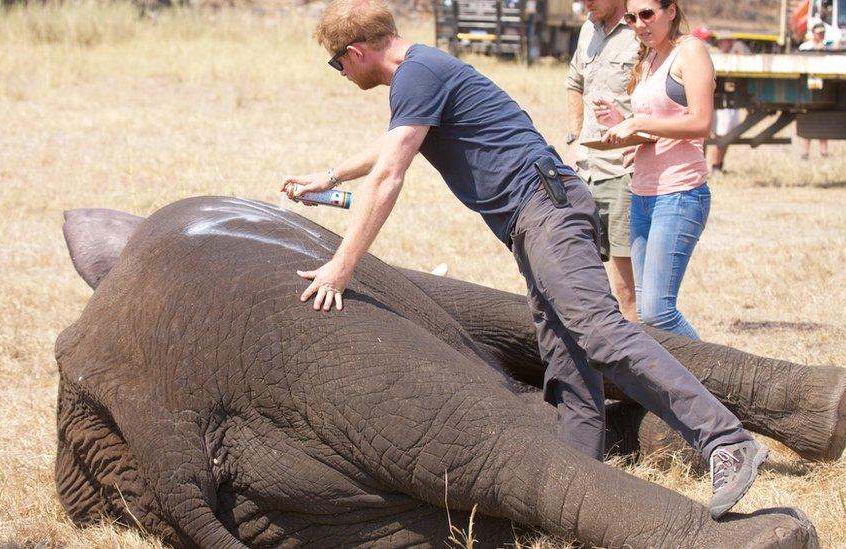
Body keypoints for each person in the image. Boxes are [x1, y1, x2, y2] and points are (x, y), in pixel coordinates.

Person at [283, 0, 767, 520]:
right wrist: (331, 177)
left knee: (598, 332)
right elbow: (392, 148)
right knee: (565, 354)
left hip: (545, 209)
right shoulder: (420, 72)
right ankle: (579, 488)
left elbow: (390, 176)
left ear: (355, 52)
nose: (342, 73)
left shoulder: (416, 74)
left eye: (338, 63)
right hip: (533, 217)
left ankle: (726, 440)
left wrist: (341, 266)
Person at [595, 0, 713, 341]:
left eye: (648, 14)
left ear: (671, 11)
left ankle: (714, 380)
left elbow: (701, 123)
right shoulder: (649, 57)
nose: (639, 24)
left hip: (679, 194)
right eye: (632, 17)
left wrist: (639, 122)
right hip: (643, 194)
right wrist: (623, 127)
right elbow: (662, 128)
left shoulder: (690, 52)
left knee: (659, 312)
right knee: (646, 315)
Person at [565, 0, 639, 321]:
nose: (586, 4)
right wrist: (574, 139)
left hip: (624, 173)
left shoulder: (641, 32)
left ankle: (642, 364)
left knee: (628, 290)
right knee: (585, 282)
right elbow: (574, 82)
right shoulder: (587, 30)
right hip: (587, 170)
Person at [707, 36, 751, 172]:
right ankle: (715, 166)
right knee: (720, 135)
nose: (726, 43)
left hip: (732, 103)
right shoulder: (712, 57)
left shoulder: (736, 57)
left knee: (727, 137)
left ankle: (719, 165)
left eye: (728, 41)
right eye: (724, 41)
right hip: (720, 103)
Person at [798, 22, 831, 159]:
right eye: (818, 32)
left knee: (822, 120)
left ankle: (824, 152)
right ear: (813, 33)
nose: (821, 35)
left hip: (824, 86)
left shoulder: (828, 47)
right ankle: (805, 152)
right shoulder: (805, 47)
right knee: (808, 119)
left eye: (822, 32)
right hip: (808, 86)